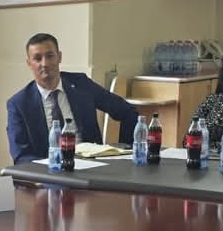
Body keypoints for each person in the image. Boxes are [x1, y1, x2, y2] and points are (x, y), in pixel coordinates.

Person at [7, 33, 138, 164]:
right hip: (49, 171)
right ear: (29, 63)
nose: (44, 63)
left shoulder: (81, 84)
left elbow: (127, 111)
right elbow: (21, 156)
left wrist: (126, 152)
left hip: (91, 167)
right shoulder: (19, 104)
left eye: (50, 56)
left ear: (59, 57)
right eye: (37, 58)